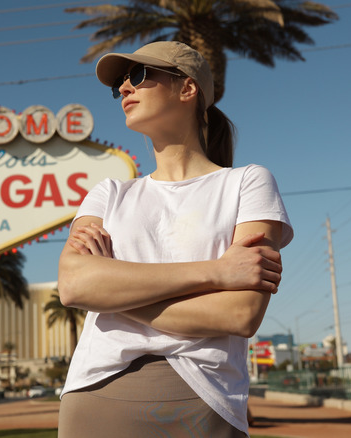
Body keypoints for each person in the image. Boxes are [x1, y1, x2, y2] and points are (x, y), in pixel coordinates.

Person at [56, 41, 293, 437]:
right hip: (93, 396)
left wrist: (111, 294)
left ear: (188, 89)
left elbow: (239, 314)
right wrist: (217, 272)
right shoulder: (109, 193)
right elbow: (73, 285)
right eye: (120, 85)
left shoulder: (247, 183)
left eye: (139, 75)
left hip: (202, 401)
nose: (125, 89)